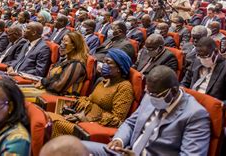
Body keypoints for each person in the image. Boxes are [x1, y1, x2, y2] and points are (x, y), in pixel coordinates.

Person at [82, 65, 211, 156]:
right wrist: (119, 140)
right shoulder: (151, 95)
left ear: (174, 91)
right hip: (124, 151)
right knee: (69, 147)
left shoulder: (195, 115)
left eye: (156, 95)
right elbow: (131, 123)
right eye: (149, 93)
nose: (151, 98)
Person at [47, 49, 134, 137]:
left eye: (108, 62)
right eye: (104, 62)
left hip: (92, 127)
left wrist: (88, 118)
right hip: (81, 118)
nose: (104, 65)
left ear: (119, 68)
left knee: (53, 122)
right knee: (46, 116)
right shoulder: (103, 81)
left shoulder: (124, 87)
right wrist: (78, 114)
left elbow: (117, 120)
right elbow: (89, 100)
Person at [181, 37, 226, 111]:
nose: (202, 59)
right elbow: (184, 83)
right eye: (199, 56)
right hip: (189, 102)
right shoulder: (196, 61)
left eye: (205, 56)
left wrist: (209, 103)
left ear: (216, 52)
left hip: (207, 108)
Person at [34, 31, 87, 96]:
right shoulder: (65, 59)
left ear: (74, 46)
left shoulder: (77, 65)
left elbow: (58, 87)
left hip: (62, 100)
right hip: (49, 92)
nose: (61, 45)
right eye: (62, 41)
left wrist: (43, 82)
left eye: (65, 42)